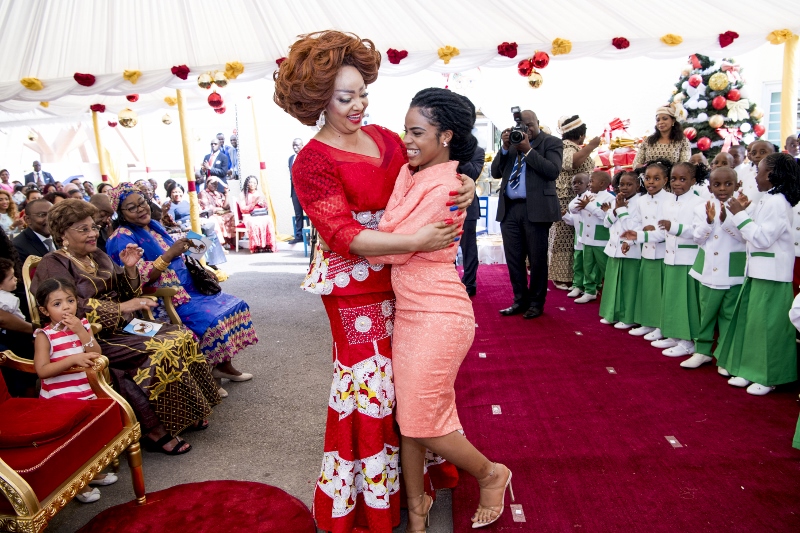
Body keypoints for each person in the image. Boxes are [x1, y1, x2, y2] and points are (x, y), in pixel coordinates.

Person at [274, 30, 473, 533]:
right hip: (353, 290)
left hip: (405, 284)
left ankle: (413, 490)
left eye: (363, 92)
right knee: (371, 388)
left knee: (407, 384)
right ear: (319, 100)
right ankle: (368, 504)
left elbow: (430, 169)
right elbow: (343, 236)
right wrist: (419, 242)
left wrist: (464, 181)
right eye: (346, 97)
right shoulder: (312, 161)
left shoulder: (386, 136)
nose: (359, 104)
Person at [369, 87, 514, 531]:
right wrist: (390, 230)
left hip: (438, 314)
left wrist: (385, 231)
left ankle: (492, 473)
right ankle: (417, 511)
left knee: (420, 421)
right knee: (410, 420)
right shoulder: (415, 173)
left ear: (446, 135)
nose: (407, 141)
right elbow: (392, 229)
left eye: (417, 132)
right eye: (405, 130)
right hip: (412, 311)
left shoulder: (446, 187)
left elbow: (386, 248)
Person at [31, 199, 219, 454]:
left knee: (180, 335)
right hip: (90, 334)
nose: (92, 234)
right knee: (158, 347)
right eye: (83, 229)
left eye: (93, 227)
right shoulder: (53, 263)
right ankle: (154, 431)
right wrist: (121, 308)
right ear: (63, 234)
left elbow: (127, 291)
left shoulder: (96, 255)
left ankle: (188, 411)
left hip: (125, 325)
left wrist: (130, 269)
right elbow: (67, 308)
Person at [106, 183, 257, 391]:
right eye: (132, 208)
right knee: (209, 319)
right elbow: (136, 279)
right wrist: (169, 255)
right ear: (120, 213)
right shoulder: (121, 237)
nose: (141, 209)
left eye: (142, 203)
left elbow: (183, 252)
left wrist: (199, 263)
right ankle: (206, 376)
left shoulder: (153, 225)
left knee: (235, 304)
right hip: (161, 298)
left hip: (188, 288)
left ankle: (223, 366)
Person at [717, 153, 800, 395]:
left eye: (760, 170)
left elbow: (763, 238)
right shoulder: (766, 199)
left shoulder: (778, 202)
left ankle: (769, 376)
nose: (755, 174)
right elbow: (747, 235)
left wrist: (740, 214)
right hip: (757, 271)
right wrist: (734, 215)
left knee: (769, 328)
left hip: (773, 274)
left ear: (772, 174)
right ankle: (750, 369)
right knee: (752, 326)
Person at [31, 277, 118, 503]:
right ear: (45, 310)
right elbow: (42, 370)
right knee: (74, 444)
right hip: (61, 399)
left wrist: (81, 331)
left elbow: (96, 352)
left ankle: (92, 472)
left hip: (85, 391)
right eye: (57, 304)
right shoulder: (44, 336)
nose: (66, 307)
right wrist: (73, 359)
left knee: (89, 438)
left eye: (70, 300)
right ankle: (78, 484)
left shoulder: (82, 325)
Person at [491, 109, 563, 319]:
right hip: (510, 209)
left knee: (537, 260)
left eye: (529, 125)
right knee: (514, 259)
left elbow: (552, 171)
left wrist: (528, 150)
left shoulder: (551, 143)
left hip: (537, 210)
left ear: (537, 123)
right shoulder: (513, 143)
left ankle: (536, 303)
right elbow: (495, 172)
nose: (526, 130)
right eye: (521, 126)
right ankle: (519, 300)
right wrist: (505, 148)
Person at [681, 167, 746, 369]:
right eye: (717, 184)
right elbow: (698, 238)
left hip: (733, 270)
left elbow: (744, 237)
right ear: (709, 187)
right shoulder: (701, 208)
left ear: (737, 185)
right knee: (706, 313)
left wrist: (729, 218)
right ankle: (702, 351)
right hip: (708, 269)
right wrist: (709, 222)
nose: (722, 188)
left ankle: (725, 356)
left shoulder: (744, 206)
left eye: (728, 184)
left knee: (729, 314)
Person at [653, 161, 707, 356]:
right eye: (674, 179)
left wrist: (674, 227)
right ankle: (674, 334)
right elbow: (661, 233)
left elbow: (699, 233)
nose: (677, 183)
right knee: (673, 299)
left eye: (683, 179)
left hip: (688, 258)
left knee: (687, 301)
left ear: (693, 181)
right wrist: (637, 236)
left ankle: (688, 341)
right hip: (670, 257)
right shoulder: (668, 202)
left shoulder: (699, 203)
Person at [621, 159, 675, 341]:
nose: (651, 182)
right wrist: (632, 240)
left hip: (663, 252)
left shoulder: (670, 199)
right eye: (648, 178)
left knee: (660, 292)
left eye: (656, 178)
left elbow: (664, 230)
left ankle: (661, 325)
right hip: (646, 250)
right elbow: (638, 224)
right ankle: (648, 322)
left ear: (665, 181)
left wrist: (641, 235)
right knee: (647, 289)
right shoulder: (642, 200)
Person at [550, 116, 601, 290]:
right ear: (580, 134)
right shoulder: (565, 147)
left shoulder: (575, 147)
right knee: (564, 237)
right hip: (566, 196)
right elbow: (571, 163)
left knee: (578, 237)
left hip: (580, 198)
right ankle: (561, 276)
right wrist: (592, 146)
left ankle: (578, 275)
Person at [598, 171, 641, 328]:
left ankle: (628, 317)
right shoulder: (616, 200)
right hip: (613, 248)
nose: (625, 187)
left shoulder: (639, 203)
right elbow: (607, 223)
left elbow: (633, 228)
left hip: (629, 249)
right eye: (622, 184)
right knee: (612, 283)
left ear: (637, 186)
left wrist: (621, 210)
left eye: (629, 184)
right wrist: (616, 209)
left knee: (628, 286)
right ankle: (612, 314)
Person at [571, 171, 613, 304]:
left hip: (600, 239)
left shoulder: (609, 198)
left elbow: (605, 216)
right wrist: (583, 204)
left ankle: (610, 292)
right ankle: (590, 291)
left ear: (602, 184)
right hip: (585, 238)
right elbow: (572, 208)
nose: (589, 184)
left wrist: (588, 206)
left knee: (604, 267)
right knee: (587, 266)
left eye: (591, 181)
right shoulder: (587, 195)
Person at [165, 182, 226, 266]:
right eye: (174, 192)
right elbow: (171, 222)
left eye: (179, 192)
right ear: (170, 193)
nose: (177, 194)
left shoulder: (186, 203)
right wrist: (187, 227)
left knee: (210, 231)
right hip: (181, 227)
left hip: (193, 223)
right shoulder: (169, 205)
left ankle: (212, 262)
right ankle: (202, 263)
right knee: (197, 236)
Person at [565, 173, 590, 299]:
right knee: (578, 262)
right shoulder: (573, 201)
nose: (576, 185)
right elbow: (572, 221)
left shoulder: (591, 198)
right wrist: (564, 215)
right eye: (574, 183)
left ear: (588, 184)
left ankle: (590, 288)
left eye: (580, 183)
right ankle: (577, 285)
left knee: (589, 263)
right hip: (578, 235)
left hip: (589, 236)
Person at [237, 175, 277, 253]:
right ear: (247, 184)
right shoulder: (243, 194)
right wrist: (253, 203)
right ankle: (256, 246)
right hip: (249, 215)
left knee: (268, 219)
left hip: (259, 214)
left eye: (254, 183)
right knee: (254, 222)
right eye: (250, 182)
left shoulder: (259, 193)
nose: (252, 184)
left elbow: (266, 207)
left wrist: (262, 204)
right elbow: (243, 209)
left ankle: (266, 245)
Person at [13, 199, 54, 264]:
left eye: (52, 214)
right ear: (28, 220)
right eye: (42, 215)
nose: (49, 219)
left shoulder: (62, 238)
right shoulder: (17, 246)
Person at [199, 177, 235, 249]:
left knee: (232, 216)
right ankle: (219, 245)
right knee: (216, 220)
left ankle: (233, 242)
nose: (214, 185)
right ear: (207, 183)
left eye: (216, 184)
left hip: (221, 213)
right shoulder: (203, 193)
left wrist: (227, 193)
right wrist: (219, 209)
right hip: (209, 215)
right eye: (212, 183)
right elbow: (207, 207)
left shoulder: (219, 194)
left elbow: (226, 206)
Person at [738, 140, 775, 206]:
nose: (757, 156)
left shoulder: (778, 176)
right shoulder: (747, 177)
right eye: (754, 153)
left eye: (762, 152)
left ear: (773, 154)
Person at [288, 138, 305, 244]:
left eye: (297, 145)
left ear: (302, 145)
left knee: (310, 213)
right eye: (293, 145)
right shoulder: (291, 158)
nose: (295, 147)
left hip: (305, 190)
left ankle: (311, 236)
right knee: (298, 214)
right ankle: (298, 236)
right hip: (294, 190)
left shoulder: (306, 157)